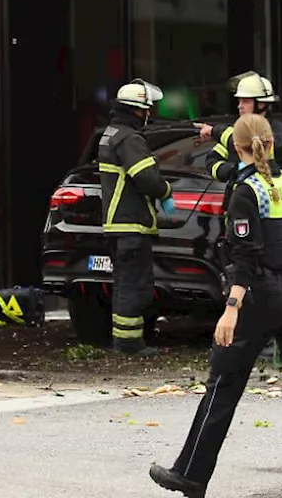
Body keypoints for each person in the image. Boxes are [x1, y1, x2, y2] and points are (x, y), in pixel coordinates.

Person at [149, 113, 282, 498]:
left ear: (237, 147)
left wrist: (232, 307)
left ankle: (191, 475)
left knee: (223, 385)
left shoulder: (246, 189)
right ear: (272, 143)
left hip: (260, 293)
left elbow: (245, 255)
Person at [98, 79, 174, 357]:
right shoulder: (130, 138)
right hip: (131, 224)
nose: (149, 115)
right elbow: (147, 178)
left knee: (124, 283)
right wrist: (165, 191)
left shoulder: (111, 133)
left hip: (118, 224)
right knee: (135, 285)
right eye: (147, 110)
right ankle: (129, 344)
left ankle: (123, 342)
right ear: (137, 111)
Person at [196, 71, 282, 186]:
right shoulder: (237, 130)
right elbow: (212, 160)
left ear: (261, 104)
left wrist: (214, 131)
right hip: (240, 196)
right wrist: (233, 170)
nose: (239, 106)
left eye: (245, 101)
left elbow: (249, 143)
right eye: (239, 101)